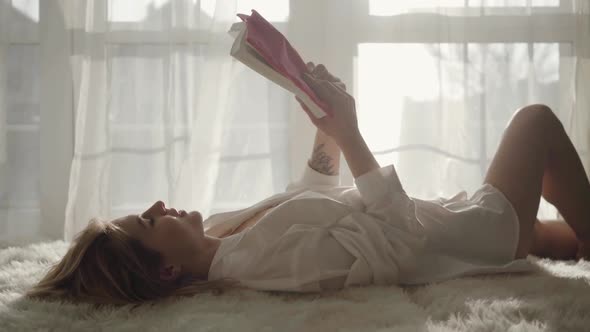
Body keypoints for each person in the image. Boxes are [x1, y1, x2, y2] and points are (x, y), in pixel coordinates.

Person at [27, 62, 590, 307]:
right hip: (471, 237)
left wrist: (325, 135)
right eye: (150, 222)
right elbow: (399, 243)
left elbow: (314, 202)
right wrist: (350, 133)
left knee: (556, 237)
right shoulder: (258, 265)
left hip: (451, 222)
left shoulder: (224, 233)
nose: (157, 205)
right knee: (536, 120)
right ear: (167, 270)